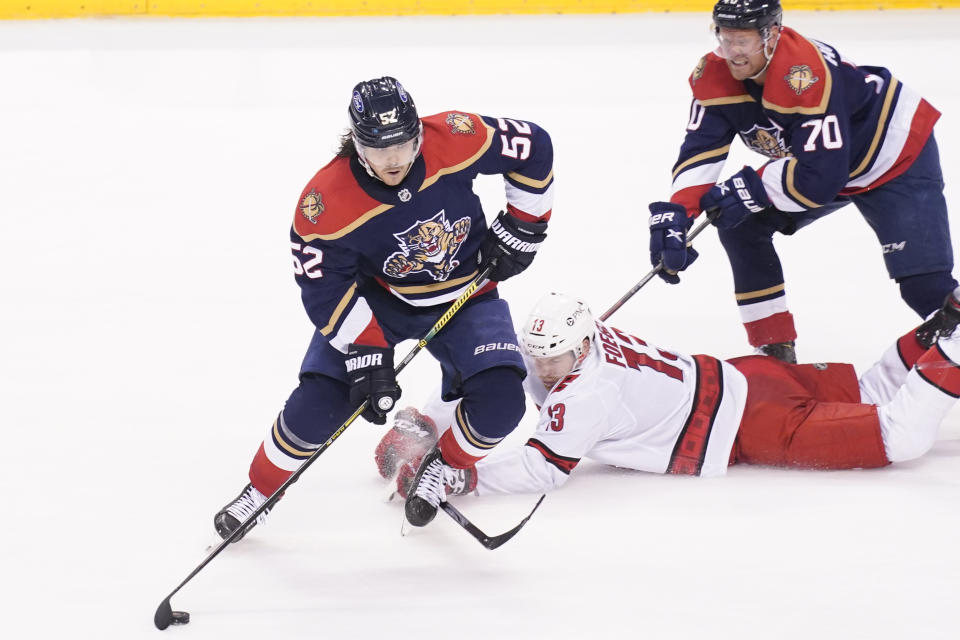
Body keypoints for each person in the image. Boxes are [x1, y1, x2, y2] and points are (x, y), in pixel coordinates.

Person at [213, 76, 554, 539]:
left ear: (418, 133)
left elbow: (532, 145)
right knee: (319, 404)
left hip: (466, 292)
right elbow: (324, 289)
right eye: (377, 147)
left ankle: (440, 467)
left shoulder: (454, 135)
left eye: (402, 143)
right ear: (355, 142)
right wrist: (368, 352)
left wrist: (525, 224)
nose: (392, 159)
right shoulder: (323, 204)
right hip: (379, 302)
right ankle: (260, 492)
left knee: (501, 402)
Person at [376, 289, 960, 499]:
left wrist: (463, 475)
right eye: (539, 355)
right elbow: (491, 371)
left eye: (554, 357)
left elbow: (544, 468)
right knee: (868, 388)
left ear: (580, 348)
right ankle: (942, 323)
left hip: (747, 425)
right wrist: (426, 421)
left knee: (898, 436)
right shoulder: (573, 343)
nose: (543, 368)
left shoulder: (587, 392)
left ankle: (954, 346)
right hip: (750, 376)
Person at [647, 0, 957, 364]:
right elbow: (700, 148)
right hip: (825, 162)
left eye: (742, 41)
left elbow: (819, 178)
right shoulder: (714, 74)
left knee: (926, 288)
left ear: (771, 34)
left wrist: (749, 188)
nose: (732, 52)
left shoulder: (804, 74)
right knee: (740, 224)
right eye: (725, 38)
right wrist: (677, 214)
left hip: (894, 154)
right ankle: (774, 352)